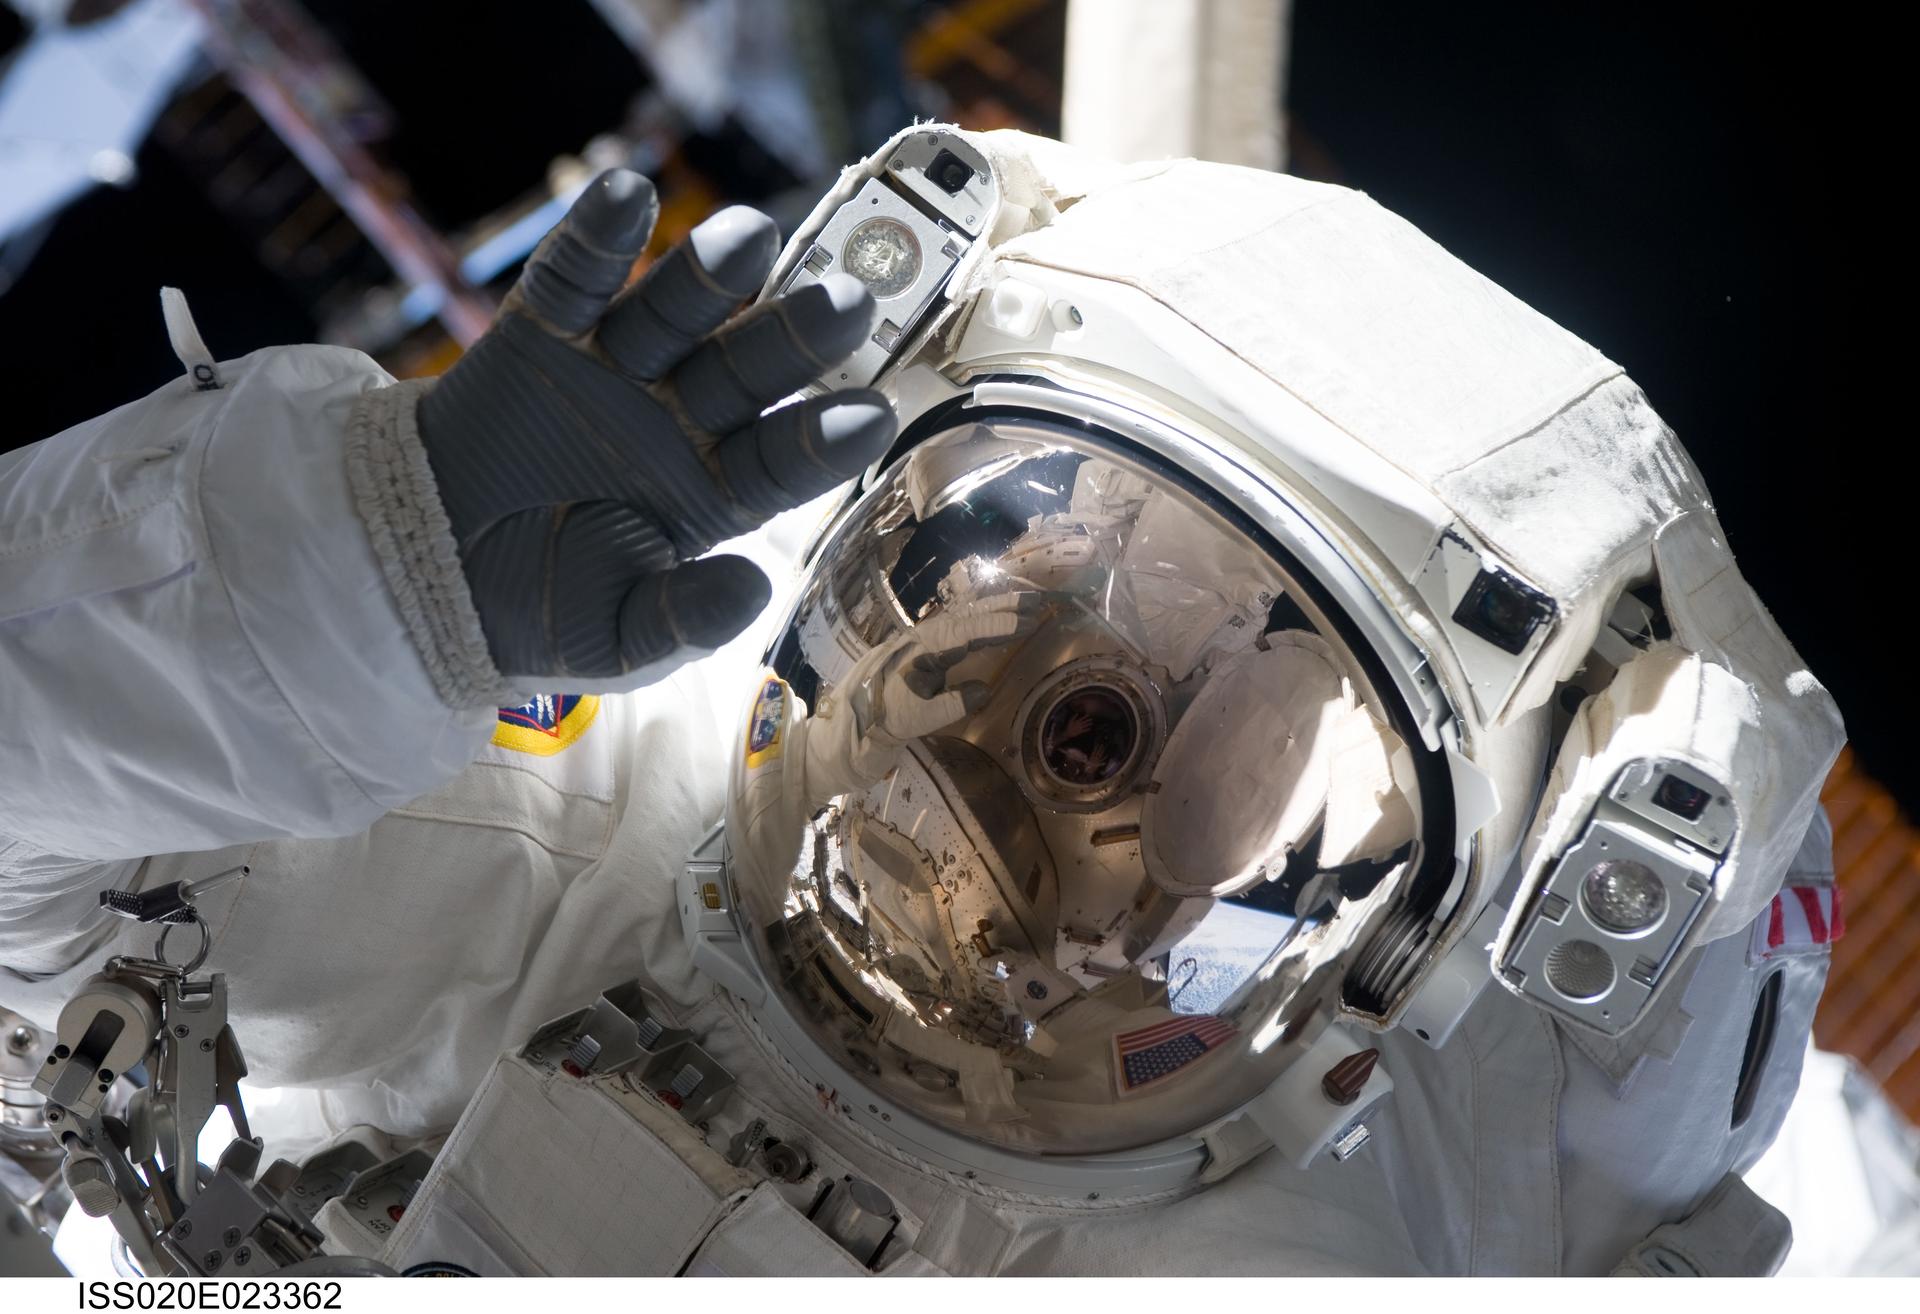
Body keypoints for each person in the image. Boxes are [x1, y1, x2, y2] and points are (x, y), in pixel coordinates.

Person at [0, 126, 1870, 1276]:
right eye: (1040, 585)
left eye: (1194, 726)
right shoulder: (534, 850)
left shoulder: (1318, 1244)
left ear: (1396, 976)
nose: (1055, 754)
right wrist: (348, 577)